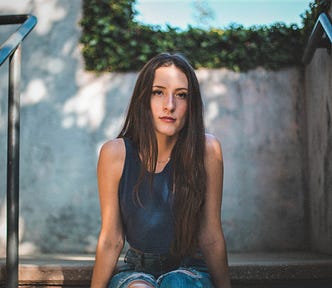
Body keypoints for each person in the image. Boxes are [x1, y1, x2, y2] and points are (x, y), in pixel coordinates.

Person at [91, 53, 231, 288]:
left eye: (181, 95)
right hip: (136, 269)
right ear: (143, 98)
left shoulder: (208, 150)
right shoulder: (114, 154)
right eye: (158, 92)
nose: (170, 105)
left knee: (177, 284)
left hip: (190, 268)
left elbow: (211, 235)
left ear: (191, 104)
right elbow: (111, 239)